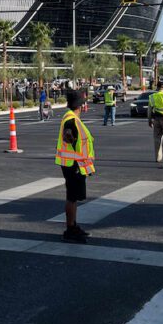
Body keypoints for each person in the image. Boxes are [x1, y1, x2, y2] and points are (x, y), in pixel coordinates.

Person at [55, 89, 95, 243]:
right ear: (80, 105)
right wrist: (70, 137)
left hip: (74, 164)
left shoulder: (72, 118)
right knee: (71, 197)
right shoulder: (71, 119)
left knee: (73, 197)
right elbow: (68, 134)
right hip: (72, 165)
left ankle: (73, 225)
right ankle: (70, 229)